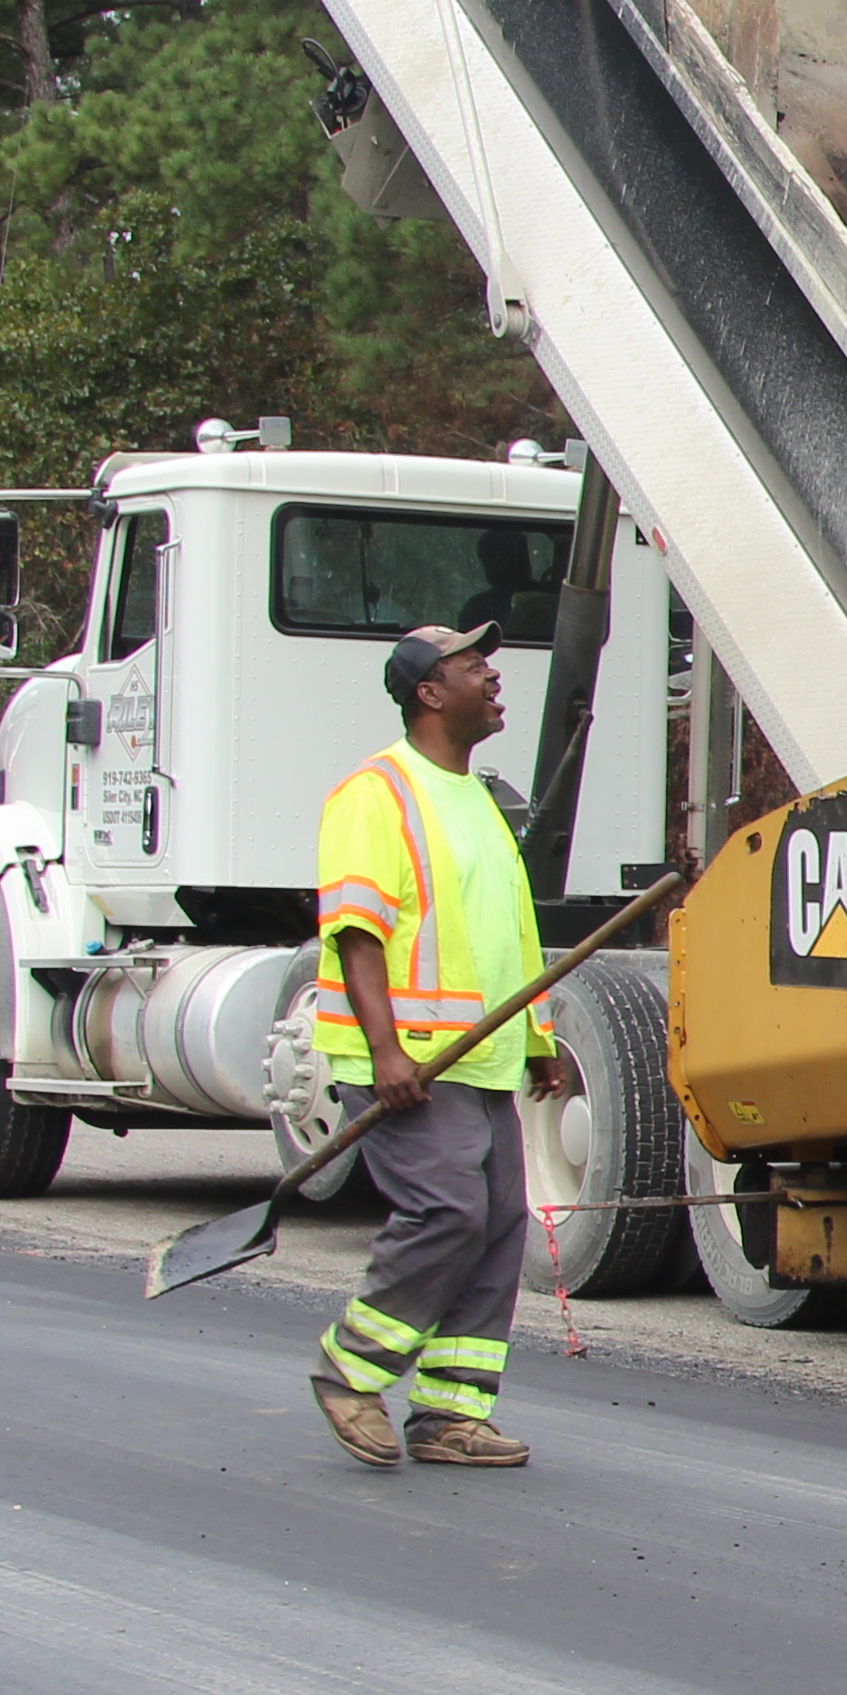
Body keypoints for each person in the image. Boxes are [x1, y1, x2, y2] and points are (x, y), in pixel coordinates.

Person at [304, 622, 567, 1472]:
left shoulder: (480, 799)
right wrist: (386, 1052)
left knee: (496, 1228)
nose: (493, 678)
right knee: (447, 1212)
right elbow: (357, 932)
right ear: (428, 692)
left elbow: (504, 934)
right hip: (415, 1060)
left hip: (479, 1058)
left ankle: (451, 1412)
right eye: (473, 667)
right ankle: (351, 1371)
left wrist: (536, 1039)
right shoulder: (376, 793)